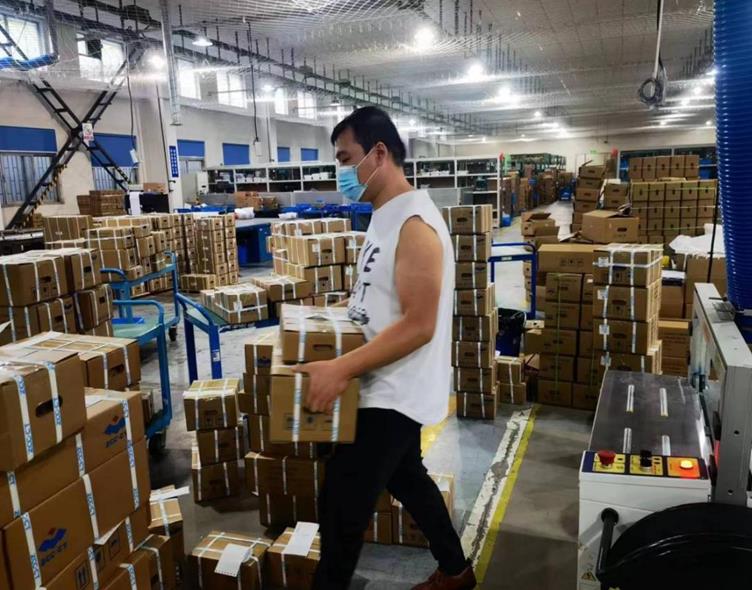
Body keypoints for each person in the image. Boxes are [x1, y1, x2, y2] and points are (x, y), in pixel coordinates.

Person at [294, 106, 476, 590]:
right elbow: (381, 296)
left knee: (340, 512)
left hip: (393, 392)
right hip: (379, 380)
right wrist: (337, 316)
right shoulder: (384, 216)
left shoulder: (415, 224)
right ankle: (456, 571)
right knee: (408, 478)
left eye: (345, 157)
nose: (341, 171)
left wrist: (340, 369)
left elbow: (419, 325)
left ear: (378, 153)